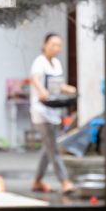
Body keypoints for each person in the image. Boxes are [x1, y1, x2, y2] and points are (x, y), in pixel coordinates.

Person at [29, 33, 76, 194]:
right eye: (53, 45)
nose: (56, 48)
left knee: (48, 148)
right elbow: (34, 79)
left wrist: (69, 89)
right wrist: (41, 91)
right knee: (53, 148)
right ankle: (64, 181)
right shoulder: (39, 62)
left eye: (58, 45)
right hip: (41, 111)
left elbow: (58, 85)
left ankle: (36, 181)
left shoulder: (56, 63)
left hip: (54, 110)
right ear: (45, 45)